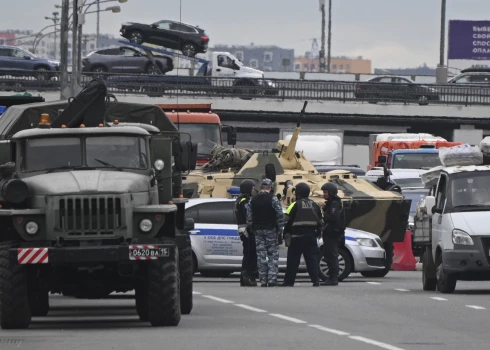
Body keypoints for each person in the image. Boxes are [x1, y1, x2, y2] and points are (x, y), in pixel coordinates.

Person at [282, 183, 322, 287]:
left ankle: (289, 282)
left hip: (296, 238)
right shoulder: (315, 205)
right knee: (312, 260)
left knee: (293, 261)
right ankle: (316, 281)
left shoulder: (294, 205)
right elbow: (320, 220)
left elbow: (285, 219)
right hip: (311, 237)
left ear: (298, 193)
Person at [246, 178, 284, 287]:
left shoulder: (253, 199)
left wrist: (252, 228)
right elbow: (279, 215)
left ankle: (263, 280)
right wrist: (280, 229)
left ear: (261, 187)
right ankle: (272, 279)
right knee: (273, 255)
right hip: (271, 230)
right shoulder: (273, 199)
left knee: (261, 256)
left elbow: (249, 217)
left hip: (258, 230)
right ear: (270, 187)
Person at [320, 182, 346, 286]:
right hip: (329, 234)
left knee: (332, 256)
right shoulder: (331, 203)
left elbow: (333, 218)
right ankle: (331, 277)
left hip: (333, 234)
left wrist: (323, 215)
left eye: (325, 192)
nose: (324, 194)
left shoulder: (335, 203)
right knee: (328, 255)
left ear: (331, 192)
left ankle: (333, 278)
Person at [235, 179, 257, 287]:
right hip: (247, 231)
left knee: (248, 254)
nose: (254, 190)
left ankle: (244, 278)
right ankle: (247, 277)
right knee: (250, 254)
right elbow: (248, 216)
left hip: (244, 230)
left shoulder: (241, 199)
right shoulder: (244, 200)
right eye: (252, 188)